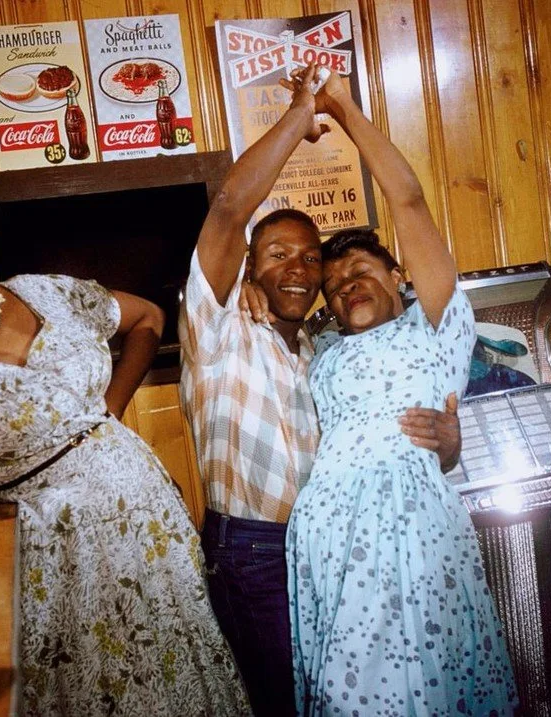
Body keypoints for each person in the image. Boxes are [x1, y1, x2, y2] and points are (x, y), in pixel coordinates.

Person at [0, 165, 249, 715]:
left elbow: (149, 318)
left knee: (176, 672)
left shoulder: (46, 293)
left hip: (148, 523)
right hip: (58, 555)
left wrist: (109, 410)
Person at [179, 64, 461, 717]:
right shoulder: (218, 326)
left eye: (310, 258)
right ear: (248, 267)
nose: (298, 269)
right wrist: (304, 110)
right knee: (283, 701)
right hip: (251, 549)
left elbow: (394, 423)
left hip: (332, 546)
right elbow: (227, 209)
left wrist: (448, 444)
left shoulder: (321, 349)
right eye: (276, 254)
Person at [282, 70, 517, 715]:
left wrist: (343, 107)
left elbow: (408, 200)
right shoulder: (323, 349)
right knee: (347, 692)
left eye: (361, 271)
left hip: (409, 530)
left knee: (424, 686)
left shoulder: (434, 324)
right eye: (334, 285)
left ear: (398, 275)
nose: (346, 286)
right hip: (329, 534)